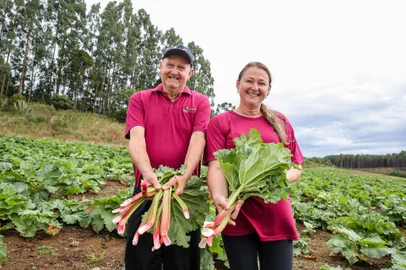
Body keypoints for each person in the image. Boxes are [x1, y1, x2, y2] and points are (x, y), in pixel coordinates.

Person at [204, 62, 304, 270]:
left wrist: (267, 180)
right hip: (236, 216)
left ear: (268, 90)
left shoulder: (280, 121)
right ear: (238, 84)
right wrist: (218, 198)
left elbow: (296, 166)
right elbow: (216, 167)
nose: (254, 87)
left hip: (276, 215)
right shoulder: (220, 122)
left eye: (261, 83)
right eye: (249, 81)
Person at [124, 44, 211, 270]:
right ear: (160, 67)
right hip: (146, 191)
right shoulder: (140, 99)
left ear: (190, 73)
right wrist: (148, 173)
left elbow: (198, 139)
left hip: (184, 194)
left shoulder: (200, 102)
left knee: (183, 264)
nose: (174, 71)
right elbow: (136, 139)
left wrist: (183, 176)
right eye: (170, 65)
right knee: (140, 262)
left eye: (181, 67)